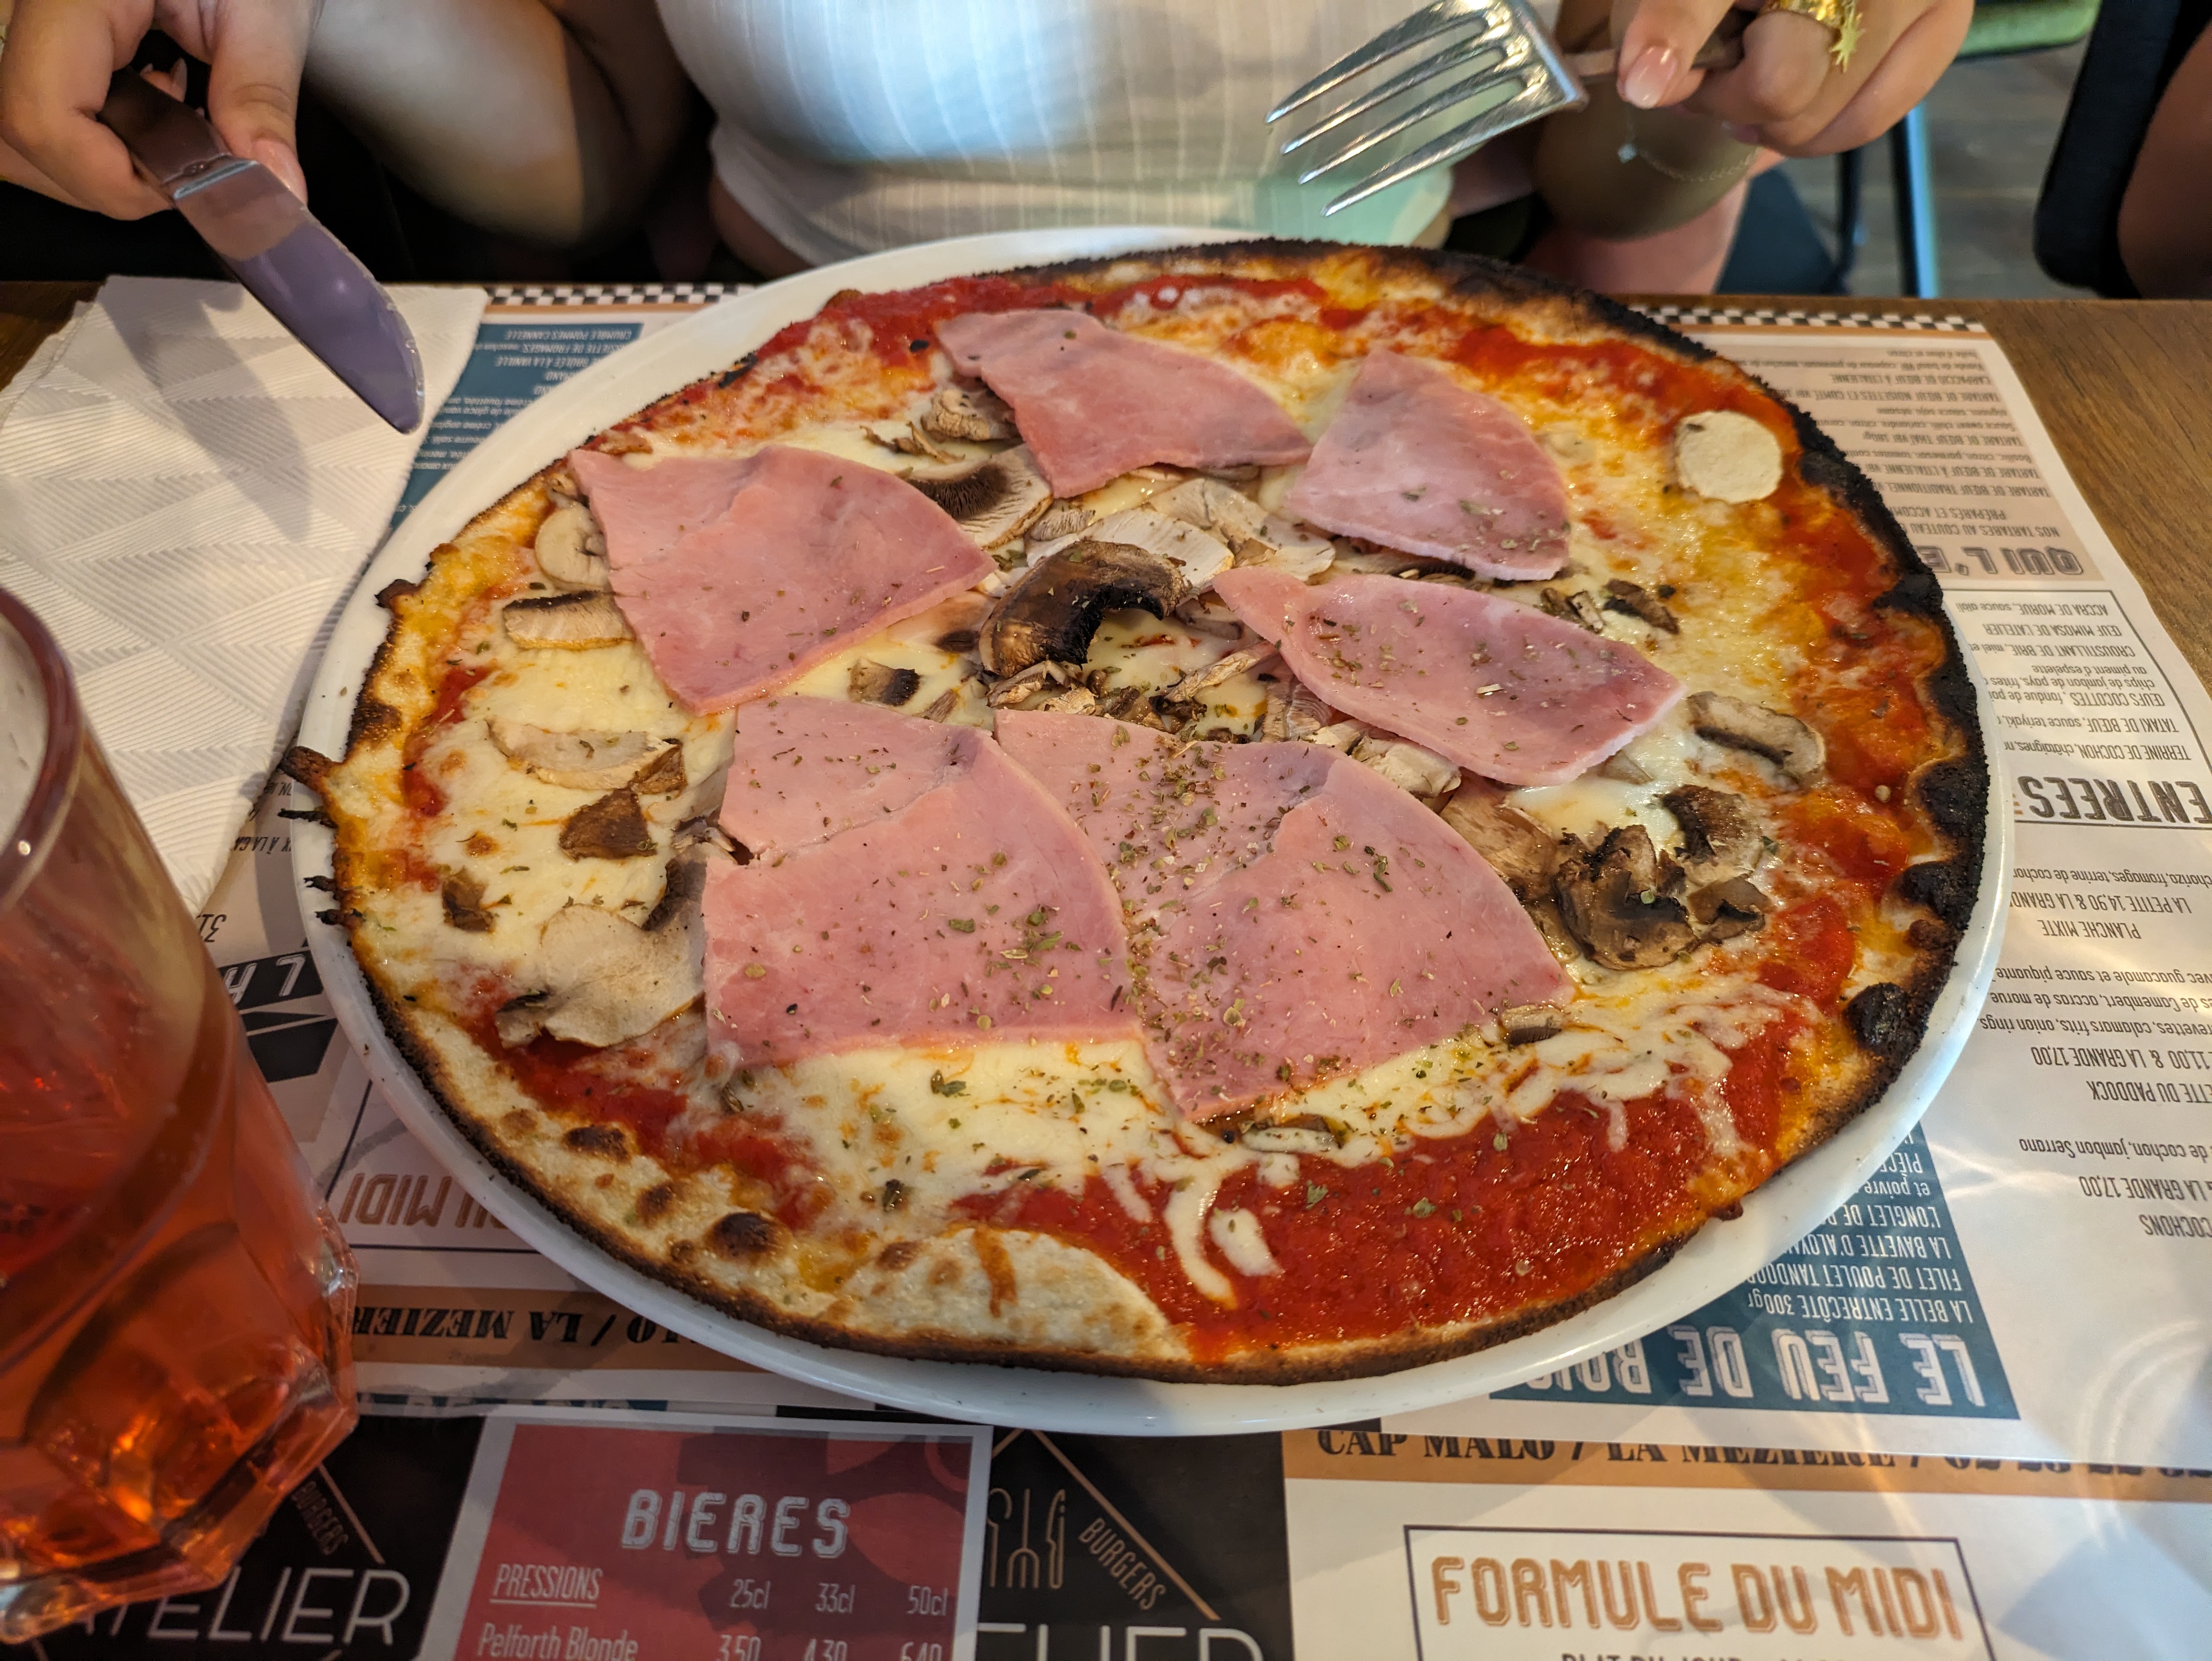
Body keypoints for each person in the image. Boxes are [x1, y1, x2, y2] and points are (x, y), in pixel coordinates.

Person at [0, 0, 1968, 291]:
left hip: (1412, 339)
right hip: (778, 362)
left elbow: (1606, 177)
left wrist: (1730, 101)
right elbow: (602, 138)